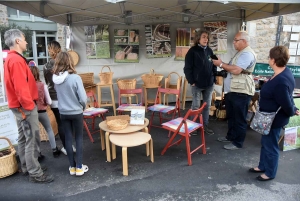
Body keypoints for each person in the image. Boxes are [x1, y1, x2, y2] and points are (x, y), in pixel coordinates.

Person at [3, 29, 53, 183]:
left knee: (24, 137)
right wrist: (30, 106)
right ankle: (35, 173)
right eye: (24, 39)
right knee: (31, 138)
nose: (26, 42)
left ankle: (27, 166)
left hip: (19, 106)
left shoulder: (11, 59)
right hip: (24, 106)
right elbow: (20, 88)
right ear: (17, 41)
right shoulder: (16, 60)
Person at [249, 46, 299, 181]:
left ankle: (270, 173)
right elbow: (288, 96)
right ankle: (262, 166)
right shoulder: (284, 73)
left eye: (269, 57)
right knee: (266, 143)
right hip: (269, 118)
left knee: (271, 146)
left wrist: (292, 110)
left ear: (273, 60)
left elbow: (286, 102)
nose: (268, 60)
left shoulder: (281, 80)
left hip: (273, 119)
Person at [212, 31, 256, 150]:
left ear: (244, 41)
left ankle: (238, 142)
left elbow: (236, 70)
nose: (234, 42)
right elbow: (231, 67)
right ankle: (230, 136)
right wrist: (222, 63)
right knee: (231, 115)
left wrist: (221, 64)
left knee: (239, 118)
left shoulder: (247, 54)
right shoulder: (240, 53)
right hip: (233, 89)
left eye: (236, 40)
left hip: (241, 91)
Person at [52, 52, 88, 176]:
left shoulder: (55, 79)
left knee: (68, 138)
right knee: (78, 138)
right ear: (70, 62)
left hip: (63, 112)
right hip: (76, 111)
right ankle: (79, 167)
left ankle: (72, 167)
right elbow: (83, 98)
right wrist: (82, 107)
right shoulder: (75, 78)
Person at [43, 41, 76, 155]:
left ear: (49, 50)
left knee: (60, 123)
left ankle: (67, 147)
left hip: (53, 98)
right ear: (59, 49)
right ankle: (70, 146)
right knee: (68, 121)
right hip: (64, 96)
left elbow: (47, 82)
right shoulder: (62, 63)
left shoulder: (46, 66)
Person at [184, 30, 217, 135]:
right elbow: (187, 68)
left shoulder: (210, 51)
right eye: (203, 37)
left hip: (209, 84)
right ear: (198, 38)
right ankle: (193, 127)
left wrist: (214, 77)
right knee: (196, 106)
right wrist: (191, 81)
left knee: (206, 106)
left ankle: (204, 126)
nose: (206, 39)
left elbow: (214, 65)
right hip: (197, 84)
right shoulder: (192, 51)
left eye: (207, 37)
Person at [28, 61, 61, 158]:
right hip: (42, 111)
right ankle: (54, 149)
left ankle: (38, 153)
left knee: (35, 132)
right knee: (49, 129)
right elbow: (50, 102)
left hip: (31, 111)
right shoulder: (42, 85)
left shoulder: (26, 86)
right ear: (38, 73)